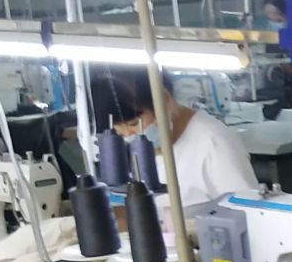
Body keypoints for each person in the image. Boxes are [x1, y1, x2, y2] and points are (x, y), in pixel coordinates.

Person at [100, 68, 260, 216]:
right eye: (119, 129)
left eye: (134, 124)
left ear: (163, 99)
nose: (128, 136)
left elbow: (248, 212)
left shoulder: (213, 141)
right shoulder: (132, 148)